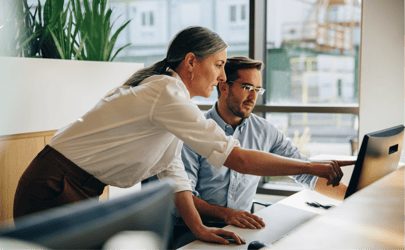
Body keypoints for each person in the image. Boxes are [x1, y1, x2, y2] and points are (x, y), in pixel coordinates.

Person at [13, 26, 352, 245]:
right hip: (55, 184)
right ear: (192, 62)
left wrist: (200, 229)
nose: (221, 76)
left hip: (77, 186)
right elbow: (237, 159)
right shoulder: (166, 94)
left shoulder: (173, 103)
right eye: (218, 65)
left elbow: (174, 175)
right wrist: (312, 167)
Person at [170, 56, 351, 247]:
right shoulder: (194, 130)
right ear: (224, 87)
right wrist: (227, 214)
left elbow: (306, 173)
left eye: (257, 89)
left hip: (242, 227)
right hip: (196, 229)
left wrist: (355, 198)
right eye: (247, 87)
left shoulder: (265, 131)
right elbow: (183, 195)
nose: (253, 97)